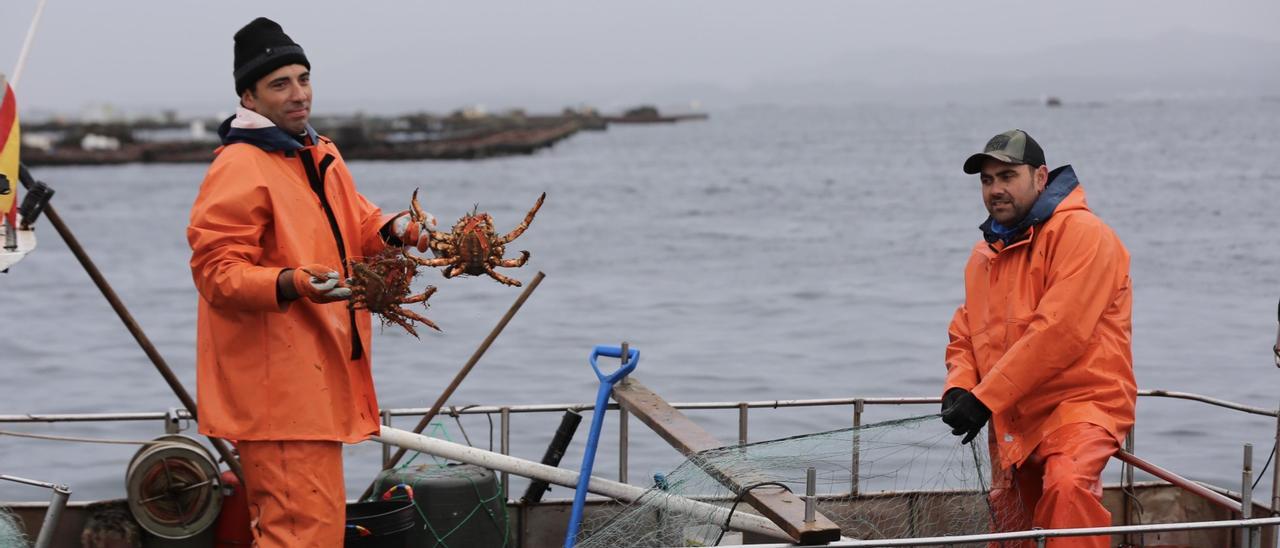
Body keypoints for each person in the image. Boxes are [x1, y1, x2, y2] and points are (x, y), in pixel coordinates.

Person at [187, 17, 433, 547]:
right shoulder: (240, 166)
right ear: (248, 97)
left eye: (303, 78)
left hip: (317, 386)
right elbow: (216, 274)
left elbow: (358, 223)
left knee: (305, 533)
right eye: (280, 84)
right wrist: (294, 282)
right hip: (278, 397)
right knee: (302, 536)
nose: (299, 94)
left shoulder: (319, 152)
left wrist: (399, 230)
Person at [940, 129, 1136, 547]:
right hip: (1013, 413)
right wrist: (958, 386)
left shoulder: (1085, 235)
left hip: (1083, 405)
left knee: (1066, 488)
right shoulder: (984, 255)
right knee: (1010, 523)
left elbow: (1059, 332)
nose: (996, 190)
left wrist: (985, 398)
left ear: (1041, 177)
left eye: (1008, 176)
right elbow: (965, 332)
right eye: (987, 180)